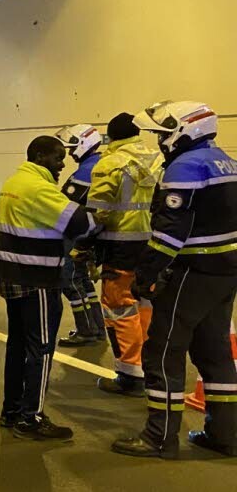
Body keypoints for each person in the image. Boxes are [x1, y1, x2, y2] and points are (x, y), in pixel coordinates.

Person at [113, 101, 237, 458]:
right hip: (225, 273)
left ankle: (159, 437)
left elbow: (169, 231)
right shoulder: (226, 161)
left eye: (163, 134)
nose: (160, 141)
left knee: (163, 351)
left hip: (192, 272)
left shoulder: (185, 167)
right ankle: (225, 434)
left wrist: (146, 274)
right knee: (214, 352)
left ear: (185, 130)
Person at [0, 136, 97, 440]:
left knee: (17, 348)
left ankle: (12, 411)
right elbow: (81, 224)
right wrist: (104, 215)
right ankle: (32, 419)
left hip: (14, 277)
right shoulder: (38, 188)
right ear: (40, 156)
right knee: (40, 349)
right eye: (57, 158)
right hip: (36, 279)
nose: (62, 164)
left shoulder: (14, 181)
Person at [85, 113, 162, 395]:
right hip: (153, 246)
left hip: (119, 248)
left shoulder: (109, 163)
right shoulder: (158, 158)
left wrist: (82, 245)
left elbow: (98, 212)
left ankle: (129, 374)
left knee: (119, 308)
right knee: (145, 305)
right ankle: (148, 366)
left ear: (112, 136)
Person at [54, 124, 108, 346]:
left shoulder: (87, 171)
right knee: (84, 281)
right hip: (93, 235)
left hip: (77, 235)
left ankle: (86, 330)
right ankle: (97, 328)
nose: (69, 153)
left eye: (71, 148)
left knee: (70, 281)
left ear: (83, 143)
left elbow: (66, 205)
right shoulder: (101, 164)